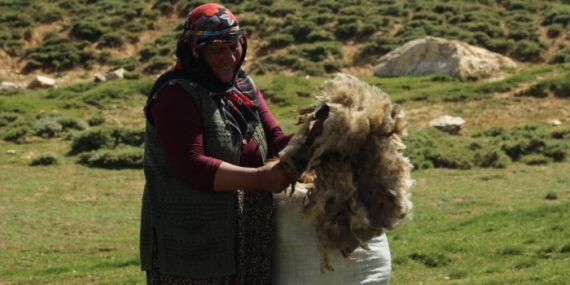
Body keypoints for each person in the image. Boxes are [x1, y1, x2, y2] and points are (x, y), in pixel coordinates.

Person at [139, 3, 295, 284]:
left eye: (235, 46)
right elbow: (191, 166)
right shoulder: (174, 93)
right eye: (217, 51)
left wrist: (321, 136)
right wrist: (262, 178)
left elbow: (275, 141)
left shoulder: (243, 86)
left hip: (250, 233)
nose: (230, 58)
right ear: (195, 51)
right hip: (194, 238)